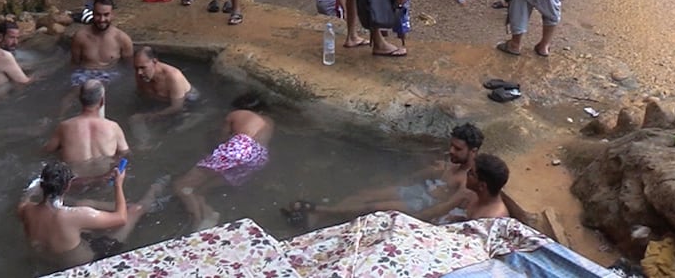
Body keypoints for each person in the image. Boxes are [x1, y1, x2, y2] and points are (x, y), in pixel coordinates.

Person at [282, 123, 483, 229]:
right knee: (365, 194)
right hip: (417, 191)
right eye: (451, 146)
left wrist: (424, 214)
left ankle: (320, 210)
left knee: (373, 208)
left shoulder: (469, 179)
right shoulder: (451, 162)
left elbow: (442, 208)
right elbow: (426, 174)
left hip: (422, 203)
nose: (451, 151)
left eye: (457, 148)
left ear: (473, 151)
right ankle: (320, 218)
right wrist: (403, 180)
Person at [18, 161, 161, 267]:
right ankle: (154, 192)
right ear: (67, 186)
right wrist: (118, 184)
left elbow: (26, 198)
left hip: (48, 258)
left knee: (84, 203)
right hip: (87, 260)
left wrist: (33, 189)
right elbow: (121, 219)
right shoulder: (74, 216)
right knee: (135, 210)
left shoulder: (25, 209)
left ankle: (120, 207)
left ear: (42, 185)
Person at [173, 93, 273, 231]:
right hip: (259, 157)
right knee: (200, 190)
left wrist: (209, 150)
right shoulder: (269, 122)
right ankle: (210, 214)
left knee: (181, 185)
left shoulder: (235, 114)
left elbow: (222, 139)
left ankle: (197, 221)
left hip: (240, 148)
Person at [45, 79, 129, 179]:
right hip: (103, 180)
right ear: (102, 101)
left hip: (74, 182)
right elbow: (125, 153)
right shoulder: (113, 127)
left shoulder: (64, 127)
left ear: (80, 99)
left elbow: (47, 151)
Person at [69, 0, 134, 86]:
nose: (102, 19)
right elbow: (74, 64)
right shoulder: (80, 37)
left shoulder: (122, 39)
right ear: (93, 14)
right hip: (84, 74)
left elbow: (128, 68)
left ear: (112, 15)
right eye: (98, 15)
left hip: (110, 75)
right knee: (72, 96)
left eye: (106, 15)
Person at [131, 46, 198, 120]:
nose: (139, 72)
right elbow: (140, 94)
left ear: (154, 62)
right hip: (161, 103)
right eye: (136, 68)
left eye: (143, 67)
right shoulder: (140, 74)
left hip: (188, 102)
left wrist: (148, 116)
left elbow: (177, 107)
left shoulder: (174, 77)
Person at [463, 154, 511, 220]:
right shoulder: (475, 195)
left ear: (482, 186)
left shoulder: (493, 219)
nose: (467, 173)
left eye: (471, 174)